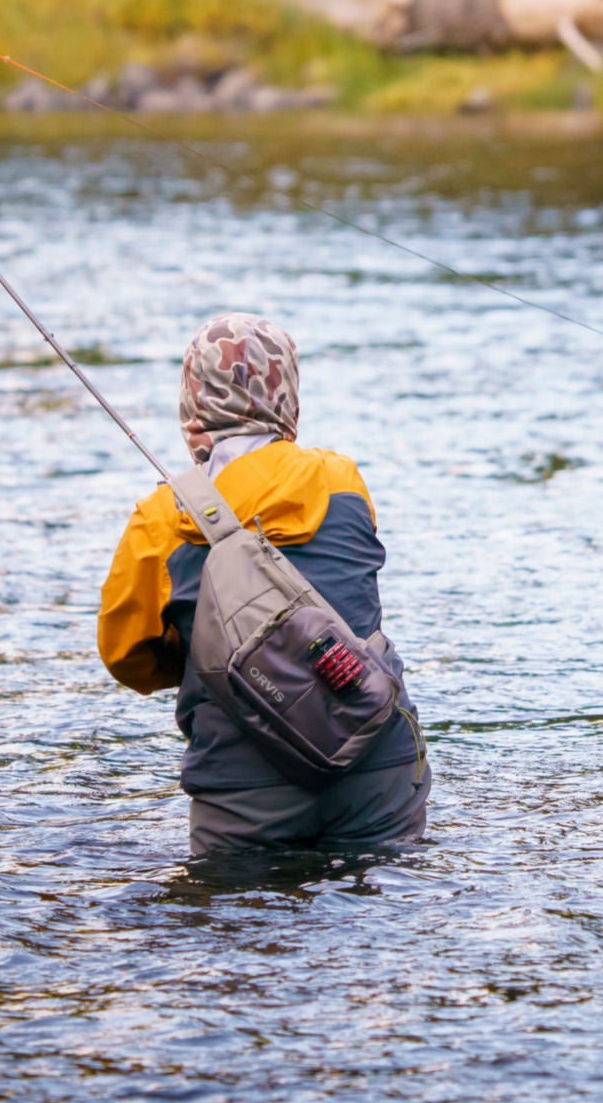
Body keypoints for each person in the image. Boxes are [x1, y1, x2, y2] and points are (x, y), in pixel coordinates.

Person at [98, 313, 428, 853]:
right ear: (289, 394)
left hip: (245, 786)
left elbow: (126, 659)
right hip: (377, 762)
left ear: (192, 405)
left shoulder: (162, 517)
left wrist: (206, 645)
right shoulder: (341, 480)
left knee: (237, 928)